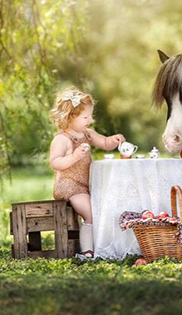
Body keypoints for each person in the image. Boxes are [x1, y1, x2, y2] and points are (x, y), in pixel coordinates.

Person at [49, 87, 125, 258]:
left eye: (90, 115)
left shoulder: (87, 134)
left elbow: (104, 143)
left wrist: (114, 140)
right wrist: (74, 157)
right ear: (70, 117)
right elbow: (55, 163)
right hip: (69, 185)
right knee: (91, 212)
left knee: (105, 205)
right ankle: (88, 251)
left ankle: (103, 244)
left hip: (86, 185)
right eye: (85, 117)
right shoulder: (62, 139)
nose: (90, 120)